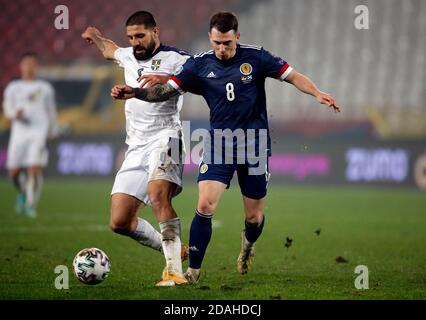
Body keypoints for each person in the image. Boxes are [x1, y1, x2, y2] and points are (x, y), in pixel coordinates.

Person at [110, 11, 341, 284]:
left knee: (254, 218)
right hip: (220, 142)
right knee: (205, 204)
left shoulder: (257, 57)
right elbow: (166, 91)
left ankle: (248, 244)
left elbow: (292, 76)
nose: (221, 49)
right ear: (210, 38)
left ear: (237, 37)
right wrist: (135, 92)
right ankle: (193, 271)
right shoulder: (198, 65)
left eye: (227, 43)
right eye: (217, 43)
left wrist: (317, 93)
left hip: (254, 144)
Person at [81, 11, 191, 287]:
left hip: (167, 136)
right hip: (137, 145)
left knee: (157, 195)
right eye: (131, 37)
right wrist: (95, 37)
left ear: (156, 31)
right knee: (120, 222)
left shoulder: (178, 59)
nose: (135, 42)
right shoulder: (128, 55)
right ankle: (176, 249)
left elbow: (193, 79)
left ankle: (174, 270)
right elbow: (111, 50)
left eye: (140, 35)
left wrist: (162, 79)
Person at [3, 52, 59, 218]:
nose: (29, 67)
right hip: (19, 134)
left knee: (34, 169)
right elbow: (7, 108)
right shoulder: (13, 87)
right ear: (21, 66)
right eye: (26, 63)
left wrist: (53, 130)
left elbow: (51, 111)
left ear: (36, 66)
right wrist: (14, 113)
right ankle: (22, 192)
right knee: (14, 173)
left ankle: (30, 204)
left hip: (38, 133)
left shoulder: (45, 88)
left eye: (32, 64)